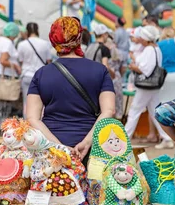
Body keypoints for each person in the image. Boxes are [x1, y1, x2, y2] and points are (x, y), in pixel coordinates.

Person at [26, 17, 115, 163]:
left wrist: (59, 147)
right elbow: (109, 111)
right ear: (79, 38)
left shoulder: (41, 74)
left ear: (53, 40)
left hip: (51, 152)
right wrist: (87, 142)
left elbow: (32, 118)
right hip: (93, 149)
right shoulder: (100, 70)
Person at [124, 25, 173, 147]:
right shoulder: (156, 49)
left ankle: (124, 139)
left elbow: (145, 69)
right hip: (153, 85)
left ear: (146, 39)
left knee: (134, 110)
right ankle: (167, 138)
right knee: (155, 112)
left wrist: (134, 67)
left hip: (145, 86)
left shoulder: (149, 50)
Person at [86, 24, 124, 119]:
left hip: (87, 80)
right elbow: (105, 66)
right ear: (104, 35)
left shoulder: (89, 46)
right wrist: (113, 74)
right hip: (98, 81)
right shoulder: (104, 49)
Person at [0, 22, 22, 130]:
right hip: (6, 75)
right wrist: (16, 66)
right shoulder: (8, 42)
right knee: (6, 103)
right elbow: (3, 60)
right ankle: (4, 128)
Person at [17, 22, 52, 111]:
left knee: (27, 102)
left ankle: (27, 123)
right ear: (37, 30)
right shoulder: (45, 44)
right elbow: (49, 61)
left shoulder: (22, 44)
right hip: (41, 76)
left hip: (27, 75)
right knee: (42, 102)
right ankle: (40, 122)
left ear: (27, 31)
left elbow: (21, 61)